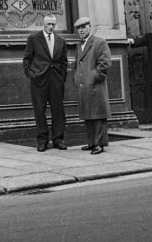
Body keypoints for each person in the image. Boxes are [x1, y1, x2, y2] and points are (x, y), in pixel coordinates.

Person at [23, 13, 68, 152]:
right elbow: (27, 59)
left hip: (56, 80)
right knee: (39, 111)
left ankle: (58, 139)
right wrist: (31, 75)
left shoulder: (61, 40)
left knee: (58, 110)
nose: (51, 27)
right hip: (39, 80)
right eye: (48, 24)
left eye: (53, 24)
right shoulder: (34, 38)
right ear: (43, 24)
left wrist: (62, 76)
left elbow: (64, 61)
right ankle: (42, 141)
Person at [73, 16, 112, 155]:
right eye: (79, 28)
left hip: (95, 85)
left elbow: (105, 64)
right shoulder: (79, 45)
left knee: (98, 115)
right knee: (88, 114)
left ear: (90, 27)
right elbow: (78, 63)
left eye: (84, 27)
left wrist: (92, 77)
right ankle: (91, 142)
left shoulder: (99, 42)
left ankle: (100, 144)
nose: (81, 30)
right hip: (84, 85)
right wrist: (77, 77)